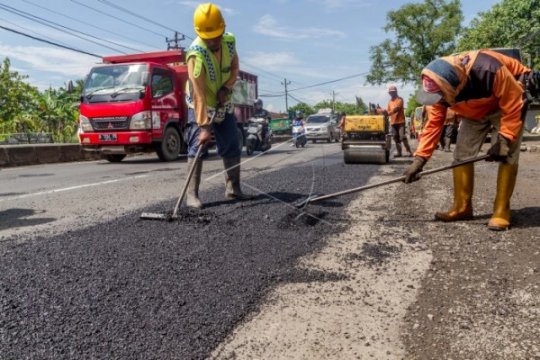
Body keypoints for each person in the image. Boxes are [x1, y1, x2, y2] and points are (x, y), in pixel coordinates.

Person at [403, 49, 531, 231]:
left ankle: (502, 210)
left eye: (440, 97)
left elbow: (513, 101)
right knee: (461, 154)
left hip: (508, 103)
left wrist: (504, 140)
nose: (438, 101)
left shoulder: (488, 69)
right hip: (474, 111)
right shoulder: (441, 89)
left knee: (507, 154)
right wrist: (420, 159)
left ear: (452, 87)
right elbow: (433, 125)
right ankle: (462, 207)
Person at [184, 2, 252, 209]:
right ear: (201, 35)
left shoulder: (229, 42)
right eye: (208, 37)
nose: (213, 39)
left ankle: (233, 189)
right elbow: (199, 94)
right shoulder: (196, 56)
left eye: (217, 35)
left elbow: (234, 68)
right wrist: (204, 127)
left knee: (232, 141)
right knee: (198, 144)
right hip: (201, 103)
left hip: (223, 100)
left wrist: (227, 87)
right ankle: (191, 195)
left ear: (222, 29)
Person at [383, 85, 413, 157]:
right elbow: (387, 111)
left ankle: (409, 151)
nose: (391, 93)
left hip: (400, 122)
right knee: (395, 137)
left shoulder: (400, 99)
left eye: (393, 92)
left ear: (396, 92)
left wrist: (387, 113)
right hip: (393, 122)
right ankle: (399, 152)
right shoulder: (390, 102)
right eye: (390, 92)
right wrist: (383, 112)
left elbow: (396, 109)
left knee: (402, 136)